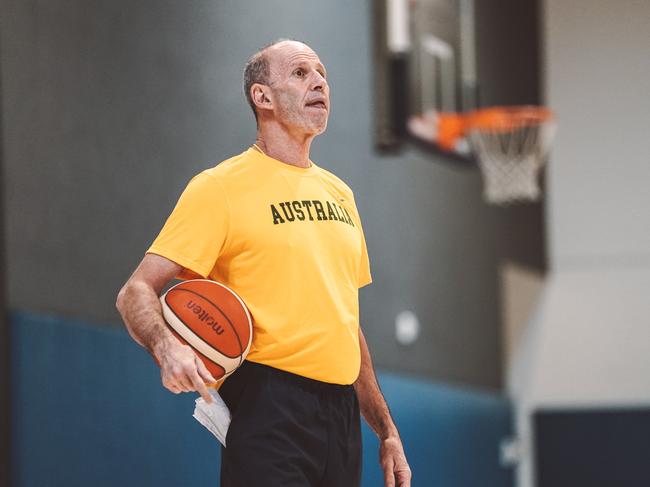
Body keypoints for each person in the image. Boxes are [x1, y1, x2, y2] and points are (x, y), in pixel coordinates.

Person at [116, 39, 411, 487]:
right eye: (300, 73)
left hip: (341, 416)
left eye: (322, 73)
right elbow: (134, 290)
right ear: (263, 97)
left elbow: (346, 325)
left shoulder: (341, 195)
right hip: (268, 403)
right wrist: (166, 347)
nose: (319, 82)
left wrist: (387, 432)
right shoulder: (219, 187)